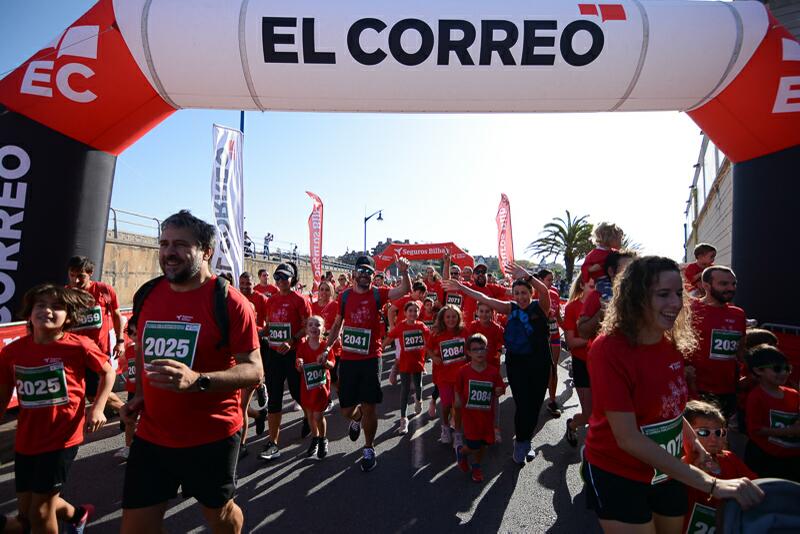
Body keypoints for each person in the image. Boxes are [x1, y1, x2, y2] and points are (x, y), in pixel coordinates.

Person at [582, 256, 762, 532]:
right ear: (636, 297)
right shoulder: (608, 349)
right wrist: (712, 484)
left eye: (678, 293)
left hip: (668, 471)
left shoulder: (670, 343)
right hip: (619, 473)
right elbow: (628, 438)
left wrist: (697, 448)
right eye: (663, 294)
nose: (676, 303)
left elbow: (673, 412)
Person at [119, 210, 263, 534]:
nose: (169, 252)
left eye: (181, 245)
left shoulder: (229, 301)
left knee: (220, 517)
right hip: (152, 436)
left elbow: (254, 371)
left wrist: (197, 380)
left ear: (206, 251)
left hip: (211, 437)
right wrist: (141, 396)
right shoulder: (148, 294)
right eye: (164, 243)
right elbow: (143, 348)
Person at [0, 284, 115, 534]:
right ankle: (78, 515)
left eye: (57, 307)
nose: (47, 311)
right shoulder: (12, 352)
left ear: (69, 317)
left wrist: (98, 408)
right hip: (27, 439)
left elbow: (108, 371)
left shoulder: (78, 346)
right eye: (40, 305)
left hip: (61, 440)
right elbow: (3, 393)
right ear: (29, 313)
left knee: (40, 513)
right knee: (27, 511)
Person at [444, 261, 551, 465]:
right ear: (513, 295)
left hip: (540, 364)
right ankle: (520, 444)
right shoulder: (509, 308)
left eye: (524, 293)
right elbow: (484, 298)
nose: (520, 297)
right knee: (522, 404)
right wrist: (461, 287)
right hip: (517, 363)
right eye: (516, 293)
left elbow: (544, 291)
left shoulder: (540, 307)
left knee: (535, 405)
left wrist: (527, 275)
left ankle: (526, 440)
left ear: (530, 293)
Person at [327, 255, 411, 471]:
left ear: (373, 276)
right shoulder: (344, 297)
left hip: (371, 358)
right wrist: (327, 347)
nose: (365, 275)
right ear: (354, 273)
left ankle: (368, 447)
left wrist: (403, 272)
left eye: (369, 272)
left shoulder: (377, 294)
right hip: (348, 359)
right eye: (361, 271)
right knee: (346, 410)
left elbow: (402, 291)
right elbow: (338, 324)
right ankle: (356, 419)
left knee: (369, 406)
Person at [259, 262, 312, 461]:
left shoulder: (300, 299)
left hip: (293, 353)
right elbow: (270, 327)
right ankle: (273, 442)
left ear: (292, 279)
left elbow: (308, 327)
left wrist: (292, 341)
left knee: (298, 392)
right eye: (277, 278)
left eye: (284, 278)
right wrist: (258, 332)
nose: (280, 281)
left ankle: (308, 418)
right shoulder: (270, 301)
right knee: (274, 397)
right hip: (274, 355)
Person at [682, 400, 756, 534]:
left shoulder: (729, 458)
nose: (714, 438)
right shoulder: (680, 463)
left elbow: (755, 483)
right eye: (704, 432)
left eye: (719, 432)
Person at [66, 256, 126, 412]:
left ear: (90, 273)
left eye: (80, 276)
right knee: (77, 391)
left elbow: (117, 315)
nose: (76, 280)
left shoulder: (103, 290)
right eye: (72, 275)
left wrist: (120, 341)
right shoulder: (65, 295)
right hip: (74, 353)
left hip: (98, 351)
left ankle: (127, 411)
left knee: (94, 394)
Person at [686, 266, 746, 419]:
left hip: (728, 390)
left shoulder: (738, 314)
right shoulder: (690, 309)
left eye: (734, 284)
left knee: (720, 435)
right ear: (706, 285)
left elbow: (740, 351)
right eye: (724, 284)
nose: (731, 288)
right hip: (697, 389)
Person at [454, 334, 506, 483]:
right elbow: (457, 388)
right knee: (473, 445)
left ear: (487, 350)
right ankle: (462, 452)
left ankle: (476, 466)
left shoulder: (492, 372)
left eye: (482, 349)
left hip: (487, 417)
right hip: (470, 418)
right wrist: (457, 400)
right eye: (475, 350)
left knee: (484, 444)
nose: (479, 352)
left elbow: (500, 387)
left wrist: (500, 391)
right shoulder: (463, 371)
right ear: (468, 352)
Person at [744, 344, 800, 481]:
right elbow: (755, 430)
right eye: (777, 369)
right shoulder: (756, 397)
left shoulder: (794, 394)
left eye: (787, 368)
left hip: (793, 459)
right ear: (758, 370)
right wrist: (789, 431)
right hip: (766, 459)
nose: (784, 373)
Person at [426, 304, 470, 445]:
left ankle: (457, 432)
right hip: (443, 376)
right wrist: (434, 357)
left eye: (454, 316)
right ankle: (445, 427)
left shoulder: (464, 331)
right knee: (445, 405)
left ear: (459, 317)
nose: (451, 319)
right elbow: (427, 347)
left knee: (457, 406)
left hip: (459, 376)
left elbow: (469, 350)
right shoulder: (436, 332)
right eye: (448, 317)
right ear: (443, 318)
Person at [384, 301, 429, 434]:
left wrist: (430, 352)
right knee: (404, 389)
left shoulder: (421, 326)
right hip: (404, 364)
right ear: (405, 313)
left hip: (418, 363)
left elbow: (429, 340)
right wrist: (380, 348)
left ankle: (419, 400)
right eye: (410, 311)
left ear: (418, 313)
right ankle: (403, 419)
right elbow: (390, 338)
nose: (413, 313)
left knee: (418, 385)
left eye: (415, 311)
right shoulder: (400, 326)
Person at [237, 272, 270, 455]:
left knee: (240, 406)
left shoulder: (261, 298)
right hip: (237, 354)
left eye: (247, 283)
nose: (244, 286)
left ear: (253, 283)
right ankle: (258, 415)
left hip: (256, 344)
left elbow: (268, 323)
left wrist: (258, 330)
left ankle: (241, 444)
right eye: (241, 283)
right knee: (237, 405)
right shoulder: (234, 297)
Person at [295, 316, 336, 459]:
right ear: (306, 329)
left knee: (318, 416)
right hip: (306, 388)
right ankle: (315, 438)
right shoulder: (302, 347)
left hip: (320, 387)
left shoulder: (326, 346)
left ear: (323, 329)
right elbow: (299, 366)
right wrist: (299, 364)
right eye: (310, 325)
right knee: (310, 416)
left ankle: (323, 438)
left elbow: (332, 364)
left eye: (317, 325)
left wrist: (325, 363)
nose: (313, 327)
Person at [465, 302, 505, 442]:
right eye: (481, 311)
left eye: (487, 311)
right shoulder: (472, 326)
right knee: (475, 398)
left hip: (492, 368)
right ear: (477, 312)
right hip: (475, 368)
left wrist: (499, 351)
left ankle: (495, 427)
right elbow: (466, 343)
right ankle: (475, 426)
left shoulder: (498, 328)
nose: (484, 314)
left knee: (494, 398)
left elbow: (502, 343)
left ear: (492, 313)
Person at [577, 250, 636, 341]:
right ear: (611, 271)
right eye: (627, 269)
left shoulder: (642, 297)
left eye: (635, 268)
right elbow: (582, 332)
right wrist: (603, 312)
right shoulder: (598, 296)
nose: (633, 273)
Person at [563, 276, 593, 447]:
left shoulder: (607, 307)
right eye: (592, 285)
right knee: (588, 414)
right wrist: (593, 340)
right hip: (582, 363)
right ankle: (572, 425)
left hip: (603, 365)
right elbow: (571, 342)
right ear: (582, 285)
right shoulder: (572, 307)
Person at [537, 268, 564, 418]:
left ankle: (552, 400)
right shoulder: (531, 293)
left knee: (553, 368)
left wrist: (569, 329)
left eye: (552, 280)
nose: (552, 283)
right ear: (540, 280)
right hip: (538, 339)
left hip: (554, 336)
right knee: (538, 369)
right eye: (549, 280)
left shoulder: (554, 294)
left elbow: (559, 316)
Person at [581, 222, 624, 303]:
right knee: (609, 297)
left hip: (614, 280)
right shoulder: (594, 254)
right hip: (602, 281)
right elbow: (584, 268)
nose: (621, 241)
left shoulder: (615, 254)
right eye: (619, 239)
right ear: (609, 238)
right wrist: (591, 269)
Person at [115, 320, 139, 461]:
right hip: (132, 391)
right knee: (130, 420)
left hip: (147, 391)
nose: (134, 335)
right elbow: (127, 369)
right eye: (131, 332)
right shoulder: (129, 350)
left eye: (137, 332)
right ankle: (128, 447)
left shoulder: (148, 349)